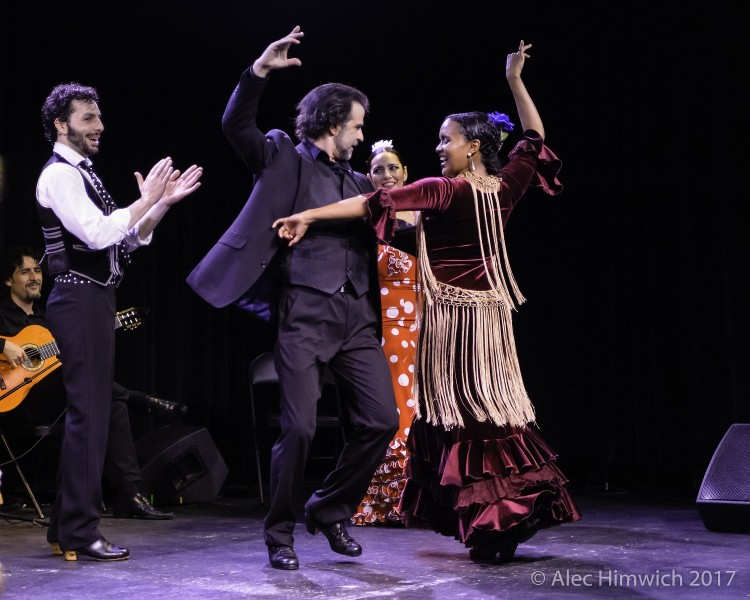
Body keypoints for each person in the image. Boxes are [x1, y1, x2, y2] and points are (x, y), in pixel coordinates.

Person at [273, 41, 582, 563]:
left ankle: (493, 522)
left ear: (474, 148)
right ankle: (497, 521)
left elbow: (375, 200)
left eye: (448, 140)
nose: (440, 148)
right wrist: (514, 80)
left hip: (461, 324)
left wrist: (311, 215)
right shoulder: (506, 186)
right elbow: (534, 137)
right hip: (486, 320)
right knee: (489, 417)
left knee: (471, 419)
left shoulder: (446, 190)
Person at [186, 26, 398, 570]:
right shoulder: (283, 154)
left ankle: (328, 508)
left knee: (380, 420)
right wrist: (258, 70)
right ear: (333, 123)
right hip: (303, 311)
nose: (360, 135)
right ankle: (280, 533)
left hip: (356, 315)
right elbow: (236, 125)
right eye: (356, 125)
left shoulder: (356, 184)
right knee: (299, 427)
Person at [35, 82, 202, 561]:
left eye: (99, 116)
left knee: (92, 416)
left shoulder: (82, 174)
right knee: (90, 417)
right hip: (78, 301)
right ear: (61, 125)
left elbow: (124, 242)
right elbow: (97, 231)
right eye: (88, 117)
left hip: (94, 301)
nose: (99, 125)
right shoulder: (60, 177)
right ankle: (81, 531)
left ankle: (63, 526)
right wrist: (143, 200)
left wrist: (159, 204)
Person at [0, 246, 181, 521]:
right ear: (8, 280)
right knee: (84, 380)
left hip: (51, 401)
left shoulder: (46, 321)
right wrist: (4, 345)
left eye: (37, 270)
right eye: (24, 272)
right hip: (14, 404)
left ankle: (129, 493)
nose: (34, 277)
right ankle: (140, 400)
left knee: (110, 404)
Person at [352, 141, 418, 526]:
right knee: (398, 410)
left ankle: (422, 498)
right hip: (387, 327)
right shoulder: (366, 215)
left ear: (405, 172)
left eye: (393, 168)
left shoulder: (424, 212)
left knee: (426, 407)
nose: (387, 175)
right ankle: (389, 499)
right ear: (369, 175)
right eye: (378, 169)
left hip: (427, 323)